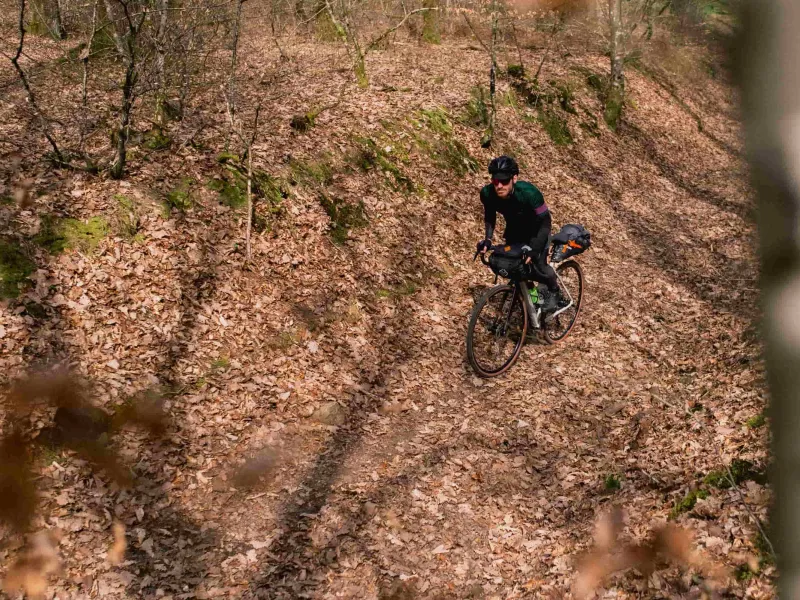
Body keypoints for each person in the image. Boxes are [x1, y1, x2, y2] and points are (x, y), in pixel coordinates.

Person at [477, 155, 562, 311]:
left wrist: (535, 248)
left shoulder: (529, 193)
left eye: (504, 181)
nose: (499, 186)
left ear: (514, 178)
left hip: (537, 230)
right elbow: (490, 216)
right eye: (495, 181)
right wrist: (488, 239)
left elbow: (545, 222)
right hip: (515, 231)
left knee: (539, 267)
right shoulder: (488, 194)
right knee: (517, 269)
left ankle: (555, 292)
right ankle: (535, 299)